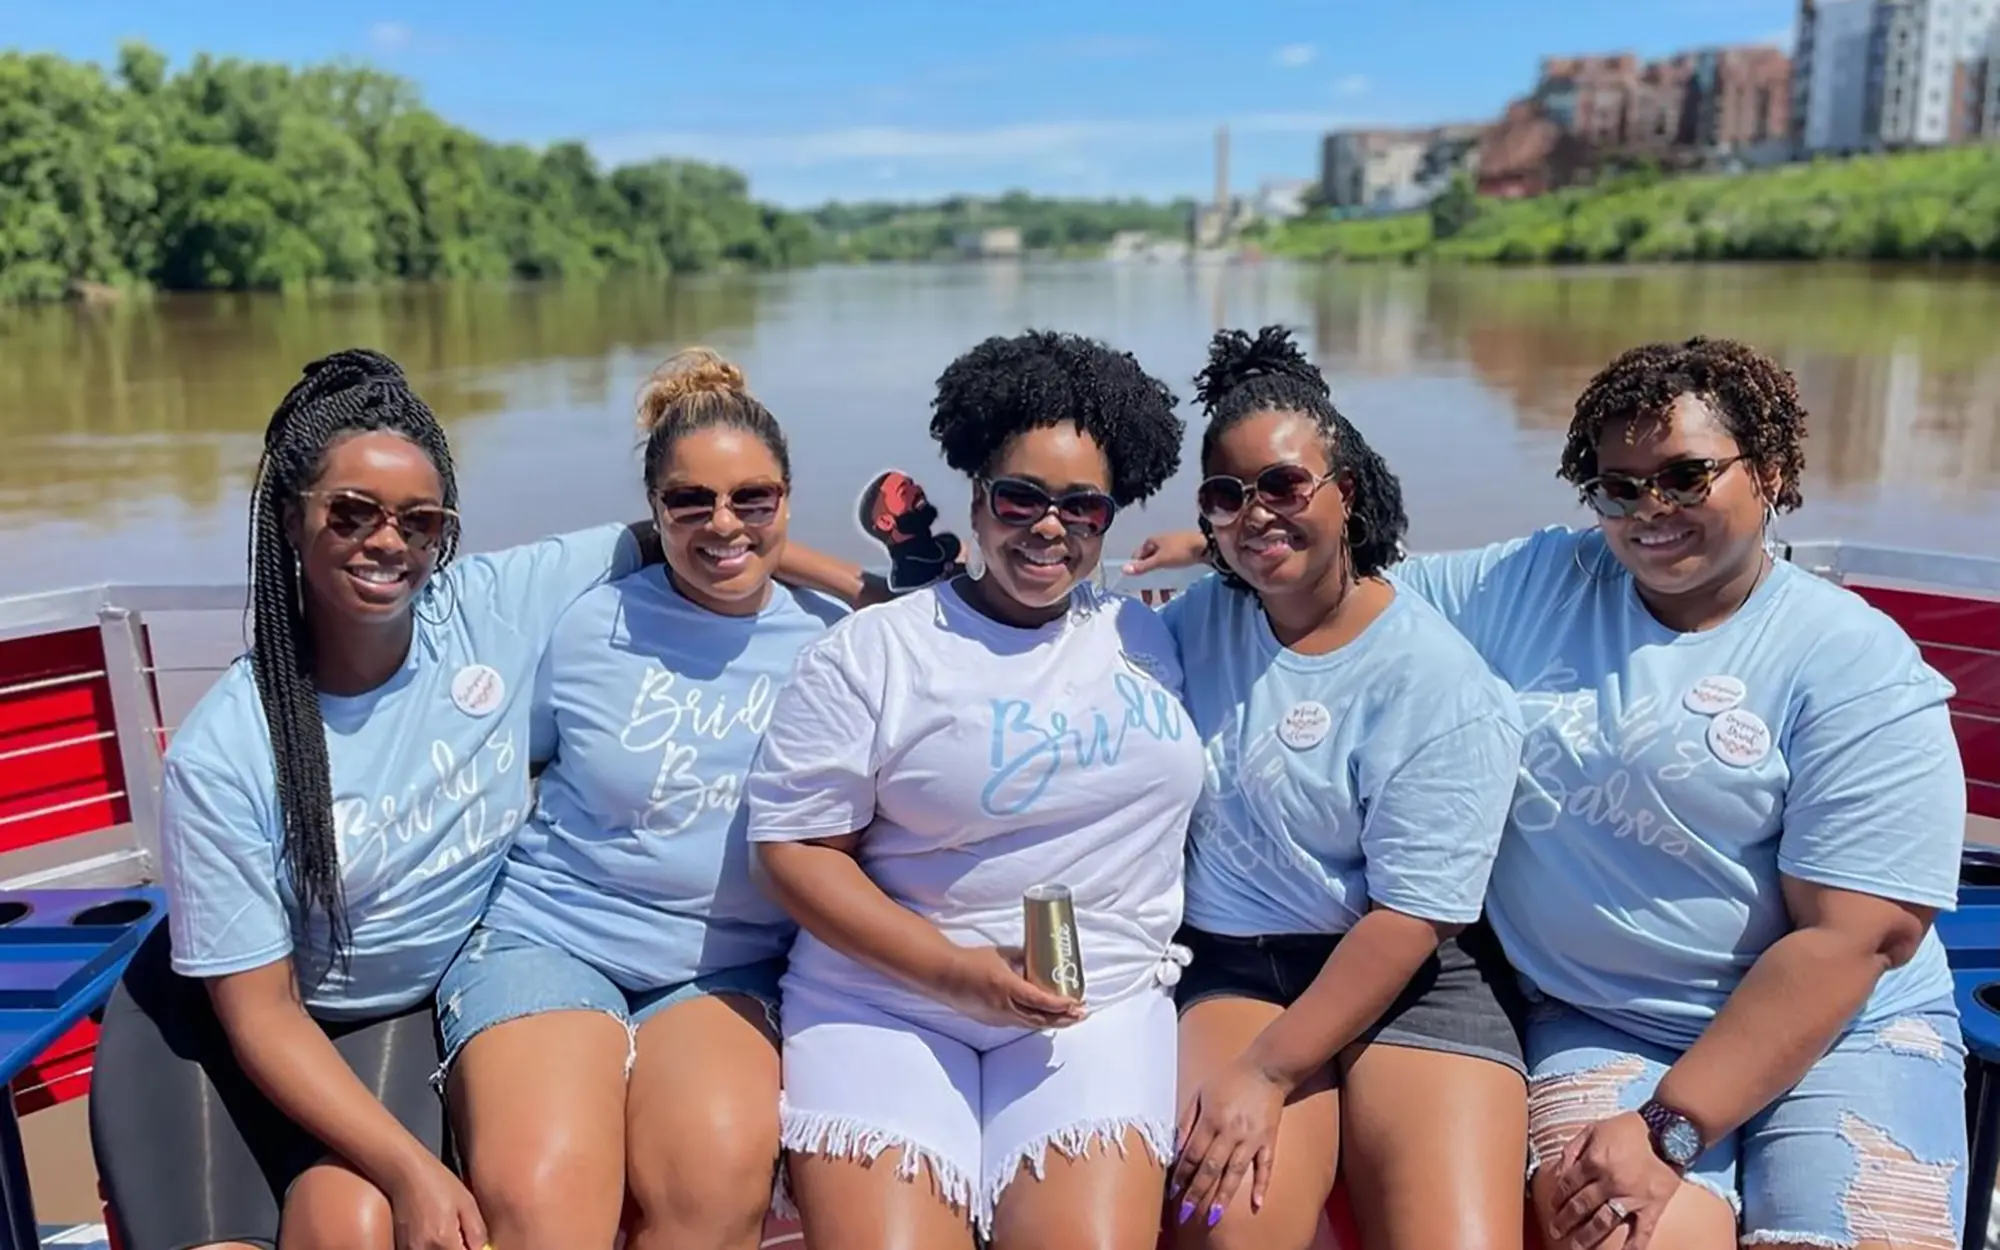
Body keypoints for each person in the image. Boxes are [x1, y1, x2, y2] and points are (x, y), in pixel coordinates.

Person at [1124, 336, 1970, 1250]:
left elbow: (1859, 937)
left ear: (1766, 472)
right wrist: (1225, 546)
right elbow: (1349, 581)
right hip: (1604, 1019)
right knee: (1626, 1238)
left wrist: (1671, 1126)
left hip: (1846, 1033)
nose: (1652, 509)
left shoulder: (1853, 660)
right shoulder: (1542, 580)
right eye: (1619, 486)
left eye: (1686, 476)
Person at [88, 348, 650, 1250]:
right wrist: (411, 1169)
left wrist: (875, 585)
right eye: (351, 512)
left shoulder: (486, 611)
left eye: (419, 521)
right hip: (218, 1037)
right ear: (289, 518)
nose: (388, 541)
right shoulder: (226, 751)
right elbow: (260, 1011)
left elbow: (690, 527)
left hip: (383, 1017)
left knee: (349, 1222)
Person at [743, 330, 1202, 1250]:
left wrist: (1203, 538)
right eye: (1021, 497)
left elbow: (1309, 561)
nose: (1048, 526)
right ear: (979, 501)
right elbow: (792, 852)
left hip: (1098, 1007)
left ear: (1111, 520)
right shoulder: (873, 653)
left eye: (1084, 508)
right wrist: (956, 974)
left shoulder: (1153, 632)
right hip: (886, 1003)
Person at [433, 348, 845, 1250]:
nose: (722, 525)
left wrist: (863, 582)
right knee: (542, 1201)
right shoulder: (587, 620)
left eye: (753, 500)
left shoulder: (839, 644)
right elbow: (503, 761)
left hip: (727, 965)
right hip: (552, 935)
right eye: (689, 502)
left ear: (786, 500)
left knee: (711, 1188)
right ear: (654, 514)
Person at [1159, 327, 1529, 1250]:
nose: (1257, 516)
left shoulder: (1438, 682)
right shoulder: (1192, 624)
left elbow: (1413, 917)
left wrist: (1268, 1075)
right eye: (1226, 496)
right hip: (1239, 961)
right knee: (1226, 1227)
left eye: (1284, 486)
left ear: (1346, 492)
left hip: (1409, 971)